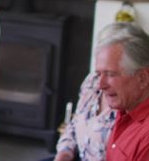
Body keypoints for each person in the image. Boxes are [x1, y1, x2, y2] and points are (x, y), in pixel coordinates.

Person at [95, 22, 149, 161]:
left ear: (142, 78)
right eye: (99, 74)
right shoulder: (126, 109)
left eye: (111, 74)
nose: (100, 85)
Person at [53, 72, 116, 161]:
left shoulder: (126, 104)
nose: (100, 83)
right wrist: (64, 153)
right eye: (99, 72)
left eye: (110, 73)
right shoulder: (92, 79)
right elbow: (74, 123)